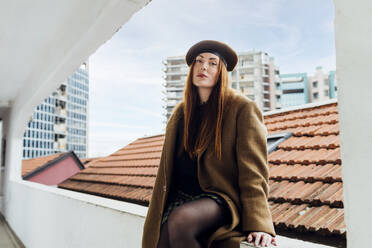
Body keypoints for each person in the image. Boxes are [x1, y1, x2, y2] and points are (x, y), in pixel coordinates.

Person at [142, 40, 277, 248]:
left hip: (222, 198)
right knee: (161, 241)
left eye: (213, 63)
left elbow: (254, 171)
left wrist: (260, 223)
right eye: (199, 61)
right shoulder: (180, 113)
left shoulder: (242, 108)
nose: (204, 67)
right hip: (183, 196)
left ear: (221, 72)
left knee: (181, 219)